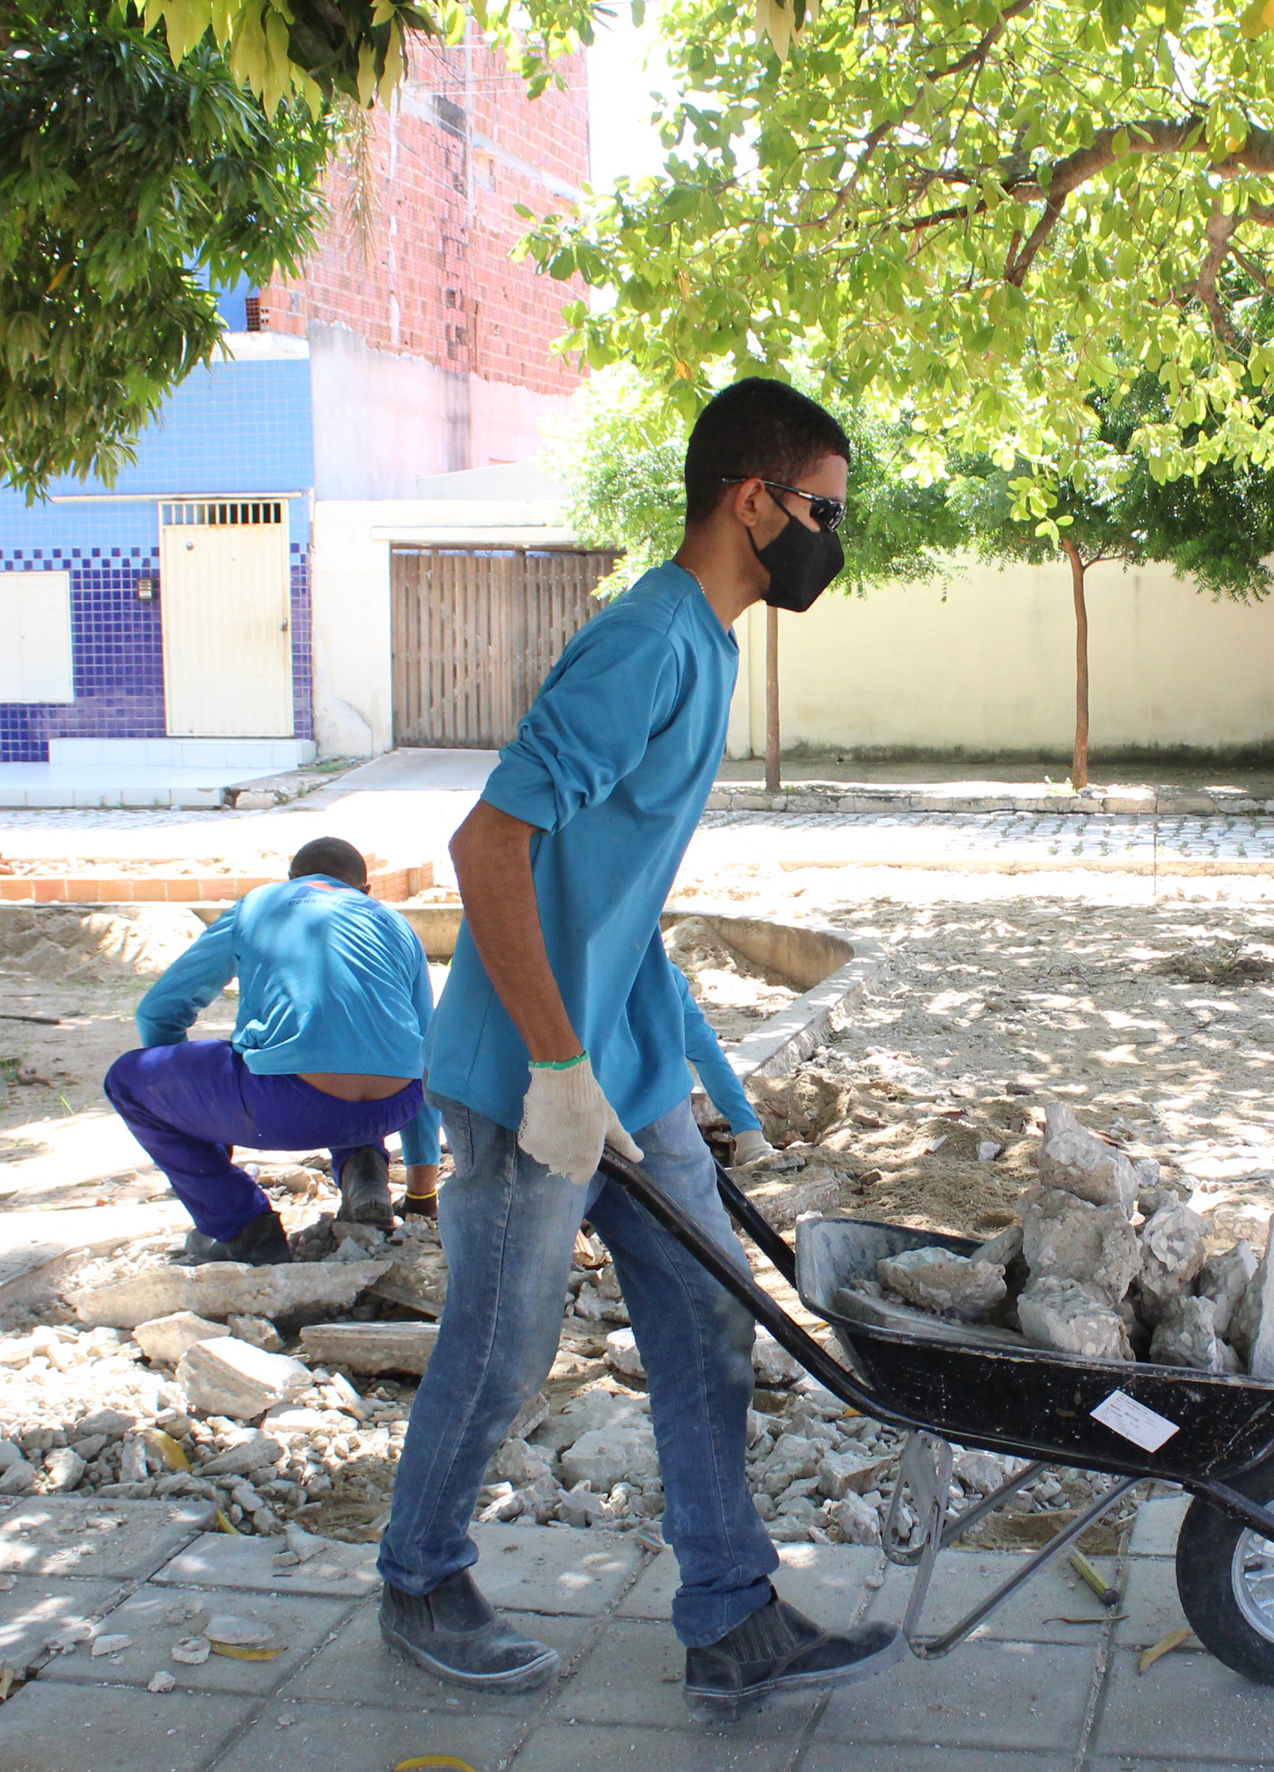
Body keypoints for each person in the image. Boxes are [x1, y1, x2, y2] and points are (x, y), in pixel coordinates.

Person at [375, 378, 892, 1715]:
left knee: (708, 1319)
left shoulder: (713, 644)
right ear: (752, 499)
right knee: (503, 1343)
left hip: (622, 1056)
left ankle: (730, 1614)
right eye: (824, 511)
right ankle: (420, 1572)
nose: (833, 536)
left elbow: (614, 884)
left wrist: (686, 1071)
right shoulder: (651, 643)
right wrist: (555, 1067)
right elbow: (488, 845)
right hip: (528, 1066)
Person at [104, 837, 441, 1265]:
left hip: (287, 1107)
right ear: (365, 891)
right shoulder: (394, 924)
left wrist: (189, 1112)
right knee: (354, 1042)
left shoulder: (260, 903)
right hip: (395, 1105)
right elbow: (429, 1057)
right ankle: (366, 1172)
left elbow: (159, 1012)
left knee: (127, 1080)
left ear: (291, 879)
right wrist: (422, 1194)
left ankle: (243, 1226)